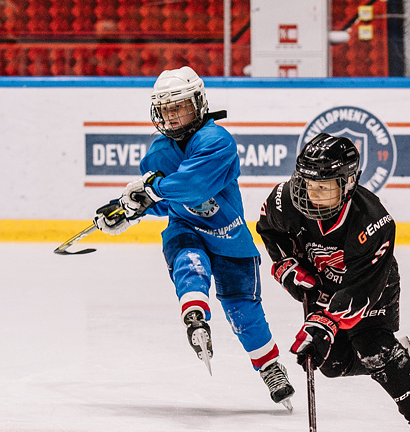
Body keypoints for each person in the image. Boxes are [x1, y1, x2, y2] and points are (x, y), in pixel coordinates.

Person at [93, 65, 295, 411]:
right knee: (189, 263)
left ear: (198, 104)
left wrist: (149, 190)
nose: (172, 117)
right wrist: (129, 209)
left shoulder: (217, 142)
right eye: (166, 109)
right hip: (186, 229)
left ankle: (270, 367)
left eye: (179, 107)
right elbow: (167, 201)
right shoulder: (158, 153)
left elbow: (191, 186)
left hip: (229, 235)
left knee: (244, 312)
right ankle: (195, 315)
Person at [255, 133, 410, 432]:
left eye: (324, 186)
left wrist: (325, 324)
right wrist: (288, 266)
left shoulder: (374, 222)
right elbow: (269, 229)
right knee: (330, 364)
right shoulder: (286, 201)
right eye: (308, 184)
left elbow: (362, 291)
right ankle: (393, 355)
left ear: (348, 183)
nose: (312, 194)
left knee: (373, 345)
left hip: (373, 286)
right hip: (324, 285)